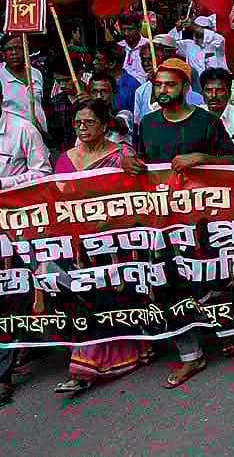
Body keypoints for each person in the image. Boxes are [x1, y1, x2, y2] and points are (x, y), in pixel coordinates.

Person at [122, 58, 234, 388]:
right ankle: (191, 355)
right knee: (169, 284)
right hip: (163, 222)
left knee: (210, 281)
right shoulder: (147, 124)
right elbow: (142, 163)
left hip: (204, 222)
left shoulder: (206, 122)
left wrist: (202, 159)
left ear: (186, 88)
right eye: (158, 84)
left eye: (170, 85)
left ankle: (226, 330)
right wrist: (129, 162)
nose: (162, 90)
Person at [52, 99, 154, 395]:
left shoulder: (122, 154)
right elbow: (58, 199)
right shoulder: (66, 159)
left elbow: (139, 194)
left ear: (104, 124)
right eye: (78, 123)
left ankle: (93, 364)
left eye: (89, 122)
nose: (82, 128)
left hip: (117, 243)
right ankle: (91, 361)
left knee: (114, 301)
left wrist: (124, 173)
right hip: (81, 246)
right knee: (88, 300)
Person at [0, 82, 53, 406]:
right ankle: (25, 343)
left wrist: (5, 184)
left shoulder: (23, 130)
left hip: (16, 229)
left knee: (11, 296)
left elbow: (42, 173)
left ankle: (3, 374)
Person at [132, 35, 204, 130]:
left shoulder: (188, 76)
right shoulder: (141, 91)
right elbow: (138, 123)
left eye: (150, 59)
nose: (146, 63)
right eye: (143, 60)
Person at [1, 33, 47, 131]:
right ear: (3, 53)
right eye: (9, 49)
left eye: (18, 48)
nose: (14, 53)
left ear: (26, 49)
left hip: (40, 134)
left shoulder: (36, 74)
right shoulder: (1, 77)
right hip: (12, 136)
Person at [201, 67, 234, 154]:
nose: (213, 95)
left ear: (229, 93)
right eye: (209, 90)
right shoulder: (194, 116)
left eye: (219, 90)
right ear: (202, 93)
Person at [87, 72, 134, 145]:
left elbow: (119, 125)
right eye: (95, 92)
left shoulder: (125, 114)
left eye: (104, 91)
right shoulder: (84, 119)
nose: (99, 96)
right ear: (89, 94)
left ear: (114, 93)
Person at [92, 44, 140, 114]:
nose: (94, 62)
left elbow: (135, 115)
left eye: (99, 60)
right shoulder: (95, 82)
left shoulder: (133, 86)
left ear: (111, 63)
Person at [119, 15, 149, 83]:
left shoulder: (149, 46)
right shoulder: (118, 47)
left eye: (130, 29)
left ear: (139, 28)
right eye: (123, 29)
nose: (126, 33)